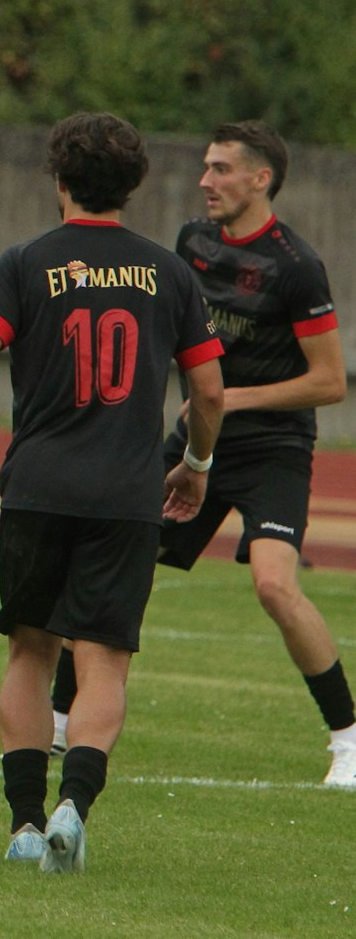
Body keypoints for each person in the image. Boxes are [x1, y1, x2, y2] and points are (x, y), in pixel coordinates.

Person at [0, 112, 224, 873]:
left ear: (60, 179)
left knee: (30, 651)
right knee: (104, 661)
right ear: (133, 186)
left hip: (38, 487)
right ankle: (75, 803)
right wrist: (197, 463)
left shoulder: (26, 262)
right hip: (126, 493)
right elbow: (207, 390)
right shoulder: (170, 274)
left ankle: (24, 824)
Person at [51, 122, 351, 789]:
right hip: (195, 441)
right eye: (206, 167)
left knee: (274, 585)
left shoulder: (297, 267)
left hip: (272, 448)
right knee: (108, 557)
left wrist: (230, 398)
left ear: (260, 179)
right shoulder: (193, 241)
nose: (205, 181)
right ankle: (61, 720)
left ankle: (349, 739)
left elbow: (330, 382)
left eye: (220, 169)